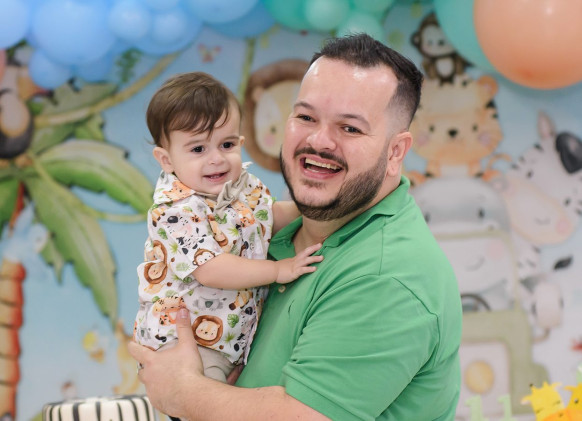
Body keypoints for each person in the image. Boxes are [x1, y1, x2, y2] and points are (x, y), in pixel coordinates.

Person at [129, 34, 462, 420]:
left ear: (395, 152)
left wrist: (183, 392)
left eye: (350, 128)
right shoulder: (273, 227)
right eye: (306, 117)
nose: (319, 141)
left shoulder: (388, 276)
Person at [134, 72, 323, 384]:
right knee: (203, 400)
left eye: (226, 144)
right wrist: (278, 270)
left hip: (230, 338)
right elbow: (211, 269)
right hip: (186, 343)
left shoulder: (241, 186)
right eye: (198, 149)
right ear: (166, 160)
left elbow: (267, 219)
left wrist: (311, 206)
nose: (217, 159)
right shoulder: (175, 210)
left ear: (240, 142)